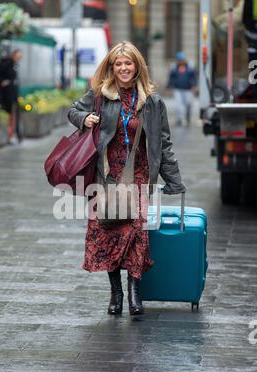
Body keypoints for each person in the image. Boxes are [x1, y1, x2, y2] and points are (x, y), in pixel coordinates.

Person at [68, 41, 186, 316]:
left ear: (137, 67)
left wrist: (174, 180)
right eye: (118, 64)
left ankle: (134, 291)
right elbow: (73, 111)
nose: (123, 68)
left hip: (139, 174)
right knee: (109, 230)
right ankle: (115, 292)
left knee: (136, 231)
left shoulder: (153, 102)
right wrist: (84, 118)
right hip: (107, 174)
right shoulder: (100, 95)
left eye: (128, 63)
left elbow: (163, 143)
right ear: (112, 68)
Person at [0, 49, 22, 141]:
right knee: (8, 113)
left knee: (13, 113)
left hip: (11, 94)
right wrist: (2, 82)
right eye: (17, 56)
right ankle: (10, 135)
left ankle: (14, 134)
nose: (19, 58)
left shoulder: (13, 64)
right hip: (5, 95)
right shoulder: (7, 63)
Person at [167, 51, 197, 126]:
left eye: (182, 59)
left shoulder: (189, 67)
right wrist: (168, 87)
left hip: (188, 89)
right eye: (179, 60)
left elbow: (193, 77)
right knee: (178, 105)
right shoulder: (174, 68)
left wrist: (194, 85)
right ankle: (179, 119)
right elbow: (171, 78)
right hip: (178, 89)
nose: (181, 61)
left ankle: (188, 117)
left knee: (188, 104)